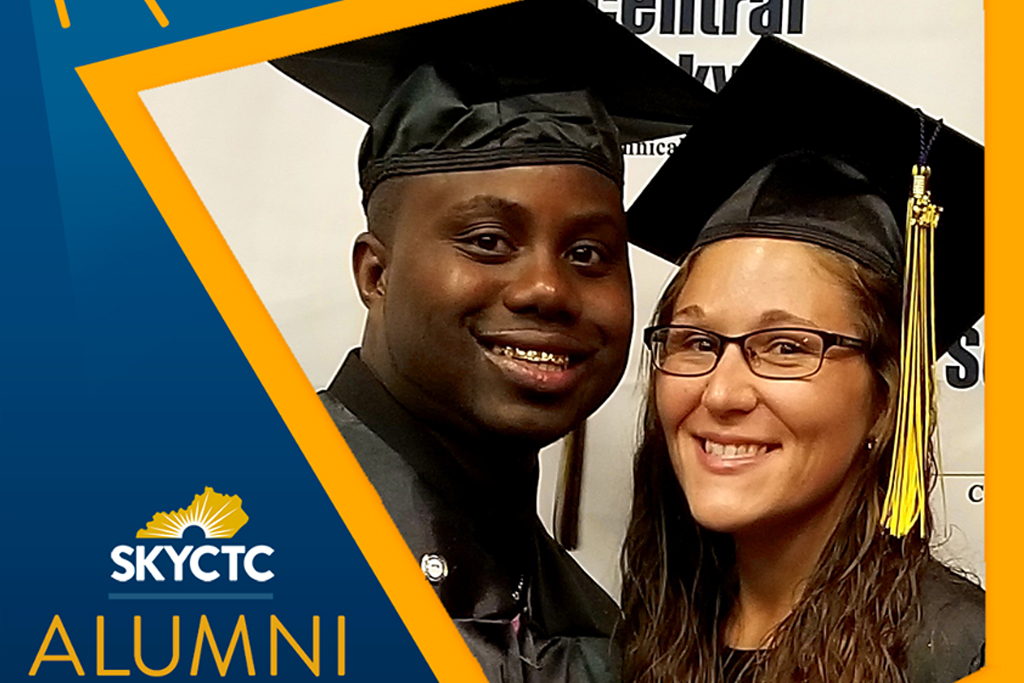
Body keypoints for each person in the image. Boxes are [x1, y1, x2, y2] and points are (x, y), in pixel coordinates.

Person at [271, 2, 713, 682]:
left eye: (590, 252)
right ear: (375, 273)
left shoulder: (595, 627)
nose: (549, 289)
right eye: (488, 242)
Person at [621, 38, 984, 683]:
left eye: (786, 347)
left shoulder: (962, 654)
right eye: (697, 342)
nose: (722, 393)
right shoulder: (651, 635)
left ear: (888, 398)